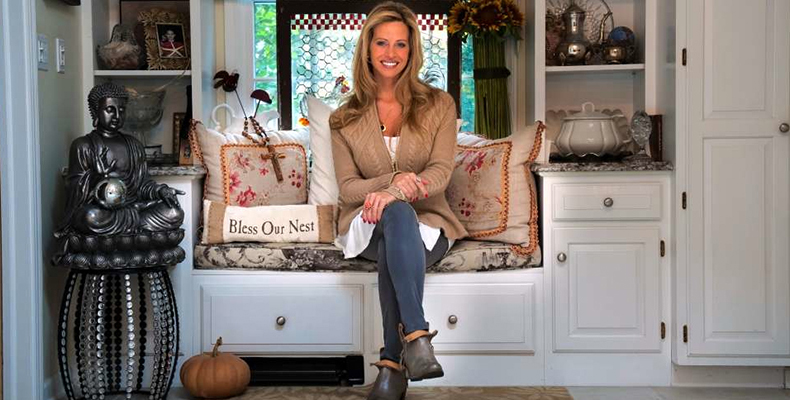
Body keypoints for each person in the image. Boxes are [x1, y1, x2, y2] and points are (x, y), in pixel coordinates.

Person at [329, 3, 467, 399]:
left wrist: (397, 194)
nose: (391, 53)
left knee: (400, 219)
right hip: (366, 225)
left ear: (412, 50)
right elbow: (347, 188)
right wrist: (391, 182)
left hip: (428, 226)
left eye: (401, 44)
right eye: (382, 43)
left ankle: (391, 364)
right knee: (394, 218)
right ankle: (417, 337)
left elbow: (440, 173)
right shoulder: (343, 118)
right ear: (367, 48)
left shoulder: (439, 105)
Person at [54, 82, 184, 246]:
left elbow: (142, 185)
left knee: (174, 213)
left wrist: (160, 190)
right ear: (95, 111)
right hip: (103, 211)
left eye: (121, 110)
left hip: (133, 207)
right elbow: (74, 192)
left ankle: (123, 234)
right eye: (110, 110)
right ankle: (135, 234)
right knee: (90, 217)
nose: (116, 116)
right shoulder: (83, 146)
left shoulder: (134, 145)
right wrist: (97, 178)